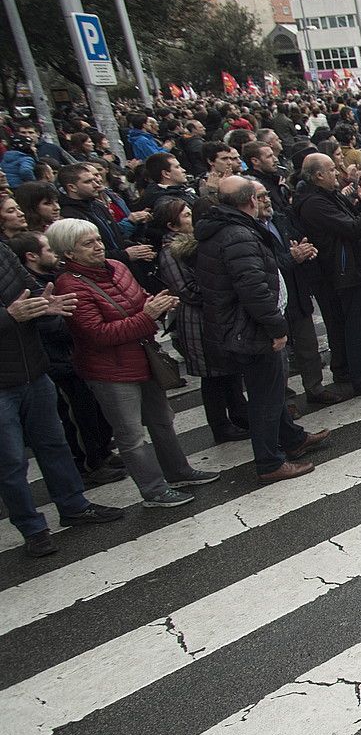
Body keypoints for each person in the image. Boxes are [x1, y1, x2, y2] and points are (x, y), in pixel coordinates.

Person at [49, 218, 219, 507]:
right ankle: (153, 490)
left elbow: (139, 298)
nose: (98, 246)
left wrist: (156, 303)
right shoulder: (70, 286)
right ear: (69, 253)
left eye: (98, 239)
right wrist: (147, 316)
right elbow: (97, 335)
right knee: (130, 435)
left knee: (162, 420)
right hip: (110, 370)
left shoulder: (117, 267)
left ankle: (179, 471)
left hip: (142, 358)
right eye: (87, 243)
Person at [195, 178, 330, 483]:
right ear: (250, 202)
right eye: (261, 196)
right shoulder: (238, 234)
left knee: (270, 390)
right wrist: (276, 327)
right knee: (266, 396)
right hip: (251, 328)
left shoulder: (224, 229)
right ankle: (270, 462)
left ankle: (292, 439)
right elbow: (253, 289)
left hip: (241, 325)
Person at [0, 243, 125, 557]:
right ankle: (33, 529)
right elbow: (14, 312)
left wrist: (46, 304)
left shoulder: (3, 251)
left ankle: (74, 506)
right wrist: (8, 316)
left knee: (54, 444)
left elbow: (33, 292)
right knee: (12, 462)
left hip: (35, 372)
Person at [292, 153, 361, 395]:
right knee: (357, 325)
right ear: (318, 175)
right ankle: (360, 377)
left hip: (355, 267)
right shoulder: (314, 203)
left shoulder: (328, 195)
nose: (338, 172)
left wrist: (358, 201)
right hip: (343, 272)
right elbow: (351, 228)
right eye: (332, 169)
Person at [153, 199, 250, 443]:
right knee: (212, 376)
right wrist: (218, 289)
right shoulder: (169, 253)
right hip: (196, 320)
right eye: (186, 216)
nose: (191, 219)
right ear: (172, 225)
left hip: (212, 315)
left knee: (228, 371)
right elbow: (186, 290)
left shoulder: (194, 245)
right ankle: (221, 425)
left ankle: (239, 414)